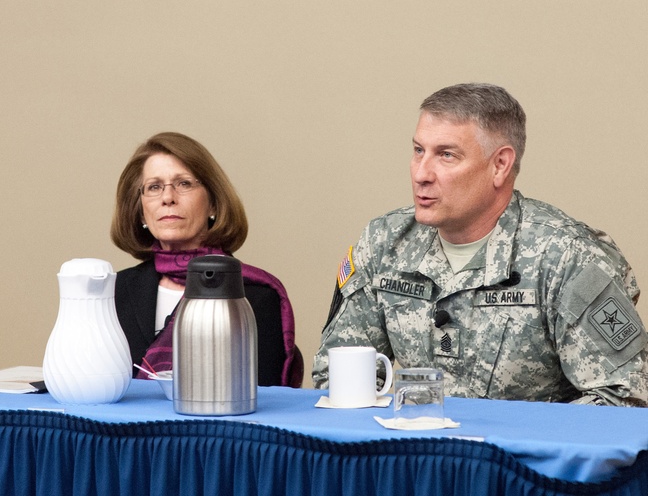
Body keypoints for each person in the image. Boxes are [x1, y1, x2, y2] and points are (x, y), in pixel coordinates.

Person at [313, 83, 647, 406]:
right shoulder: (383, 242)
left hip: (523, 461)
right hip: (418, 454)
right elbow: (336, 376)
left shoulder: (566, 257)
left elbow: (625, 396)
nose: (421, 173)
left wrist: (513, 442)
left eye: (446, 155)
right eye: (418, 151)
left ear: (500, 165)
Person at [110, 131, 302, 387]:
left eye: (184, 183)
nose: (168, 198)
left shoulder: (254, 296)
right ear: (142, 213)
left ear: (213, 204)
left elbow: (264, 404)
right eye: (154, 187)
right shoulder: (114, 292)